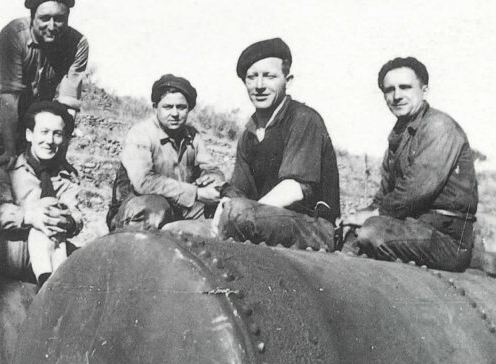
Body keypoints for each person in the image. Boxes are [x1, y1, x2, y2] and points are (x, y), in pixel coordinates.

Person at [0, 0, 89, 268]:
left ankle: (17, 241)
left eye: (60, 19)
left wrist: (60, 154)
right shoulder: (13, 36)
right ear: (32, 18)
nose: (53, 25)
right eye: (45, 18)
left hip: (33, 113)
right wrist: (12, 153)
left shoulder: (77, 45)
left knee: (35, 175)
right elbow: (9, 99)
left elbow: (67, 105)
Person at [348, 57, 478, 272]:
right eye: (389, 90)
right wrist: (356, 216)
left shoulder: (439, 126)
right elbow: (384, 194)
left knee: (372, 231)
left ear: (424, 90)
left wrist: (371, 216)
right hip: (413, 228)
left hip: (447, 238)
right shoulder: (398, 136)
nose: (397, 96)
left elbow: (416, 191)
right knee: (351, 231)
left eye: (405, 87)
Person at [216, 38, 340, 251]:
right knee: (178, 228)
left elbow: (295, 189)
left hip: (313, 227)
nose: (259, 86)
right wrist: (221, 215)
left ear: (287, 80)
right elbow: (238, 190)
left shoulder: (303, 119)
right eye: (252, 77)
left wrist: (241, 213)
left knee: (237, 213)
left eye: (269, 76)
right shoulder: (249, 132)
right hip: (261, 219)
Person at [107, 74, 224, 231]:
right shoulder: (141, 134)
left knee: (223, 213)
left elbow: (212, 169)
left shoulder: (193, 136)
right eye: (168, 107)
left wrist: (212, 179)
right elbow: (144, 182)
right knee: (154, 209)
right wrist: (195, 193)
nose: (175, 114)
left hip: (179, 206)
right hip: (136, 207)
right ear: (155, 108)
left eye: (181, 107)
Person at [0, 101, 83, 286]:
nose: (49, 141)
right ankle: (48, 284)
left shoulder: (66, 177)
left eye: (57, 134)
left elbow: (76, 216)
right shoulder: (9, 169)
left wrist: (66, 222)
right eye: (44, 132)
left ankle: (52, 284)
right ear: (30, 135)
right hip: (14, 252)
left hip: (53, 247)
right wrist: (30, 216)